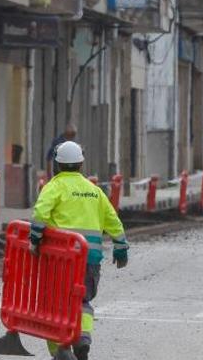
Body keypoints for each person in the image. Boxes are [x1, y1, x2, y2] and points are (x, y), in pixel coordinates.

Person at [30, 141, 128, 360]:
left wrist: (34, 240)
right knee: (82, 301)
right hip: (89, 260)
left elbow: (39, 215)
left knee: (54, 304)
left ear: (57, 165)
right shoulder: (95, 192)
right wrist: (121, 248)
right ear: (81, 164)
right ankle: (82, 338)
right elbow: (113, 220)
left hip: (59, 260)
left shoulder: (54, 187)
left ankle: (60, 350)